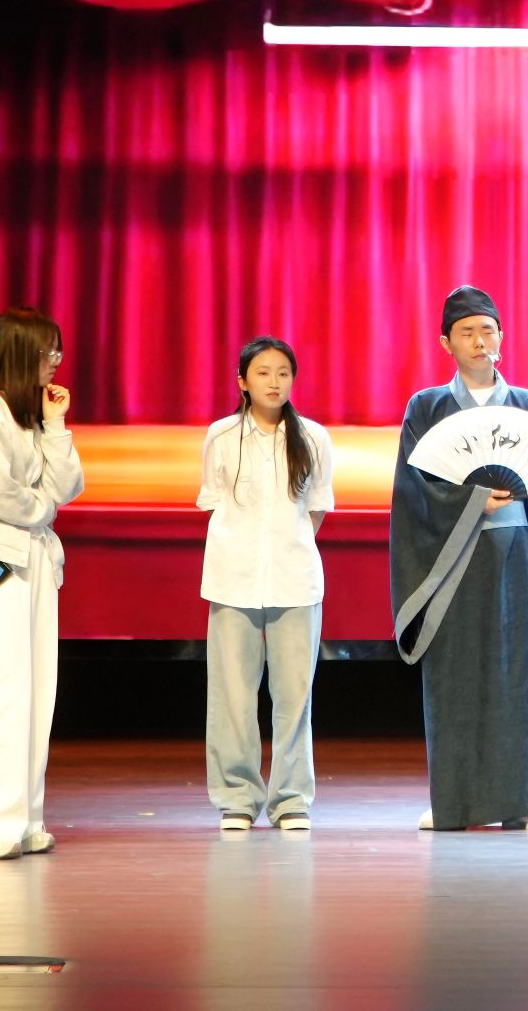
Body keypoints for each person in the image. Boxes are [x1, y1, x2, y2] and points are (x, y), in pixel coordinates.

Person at [390, 285, 528, 831]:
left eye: (487, 331)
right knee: (453, 676)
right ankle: (453, 800)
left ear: (502, 338)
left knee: (517, 672)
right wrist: (473, 500)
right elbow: (415, 488)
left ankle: (524, 801)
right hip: (452, 559)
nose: (479, 341)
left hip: (513, 552)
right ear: (445, 342)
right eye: (467, 332)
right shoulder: (426, 407)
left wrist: (520, 505)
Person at [0, 307, 84, 860]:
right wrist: (43, 508)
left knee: (35, 690)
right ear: (22, 353)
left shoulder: (28, 416)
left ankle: (22, 817)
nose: (56, 362)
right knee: (1, 689)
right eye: (48, 351)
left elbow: (67, 484)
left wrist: (56, 425)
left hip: (33, 559)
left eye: (58, 351)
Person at [198, 336, 337, 832]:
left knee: (294, 696)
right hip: (232, 581)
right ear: (242, 381)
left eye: (283, 373)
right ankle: (236, 798)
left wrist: (285, 546)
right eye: (262, 372)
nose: (274, 382)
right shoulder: (221, 436)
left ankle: (291, 799)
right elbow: (215, 503)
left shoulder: (313, 438)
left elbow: (316, 508)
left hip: (294, 581)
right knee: (232, 696)